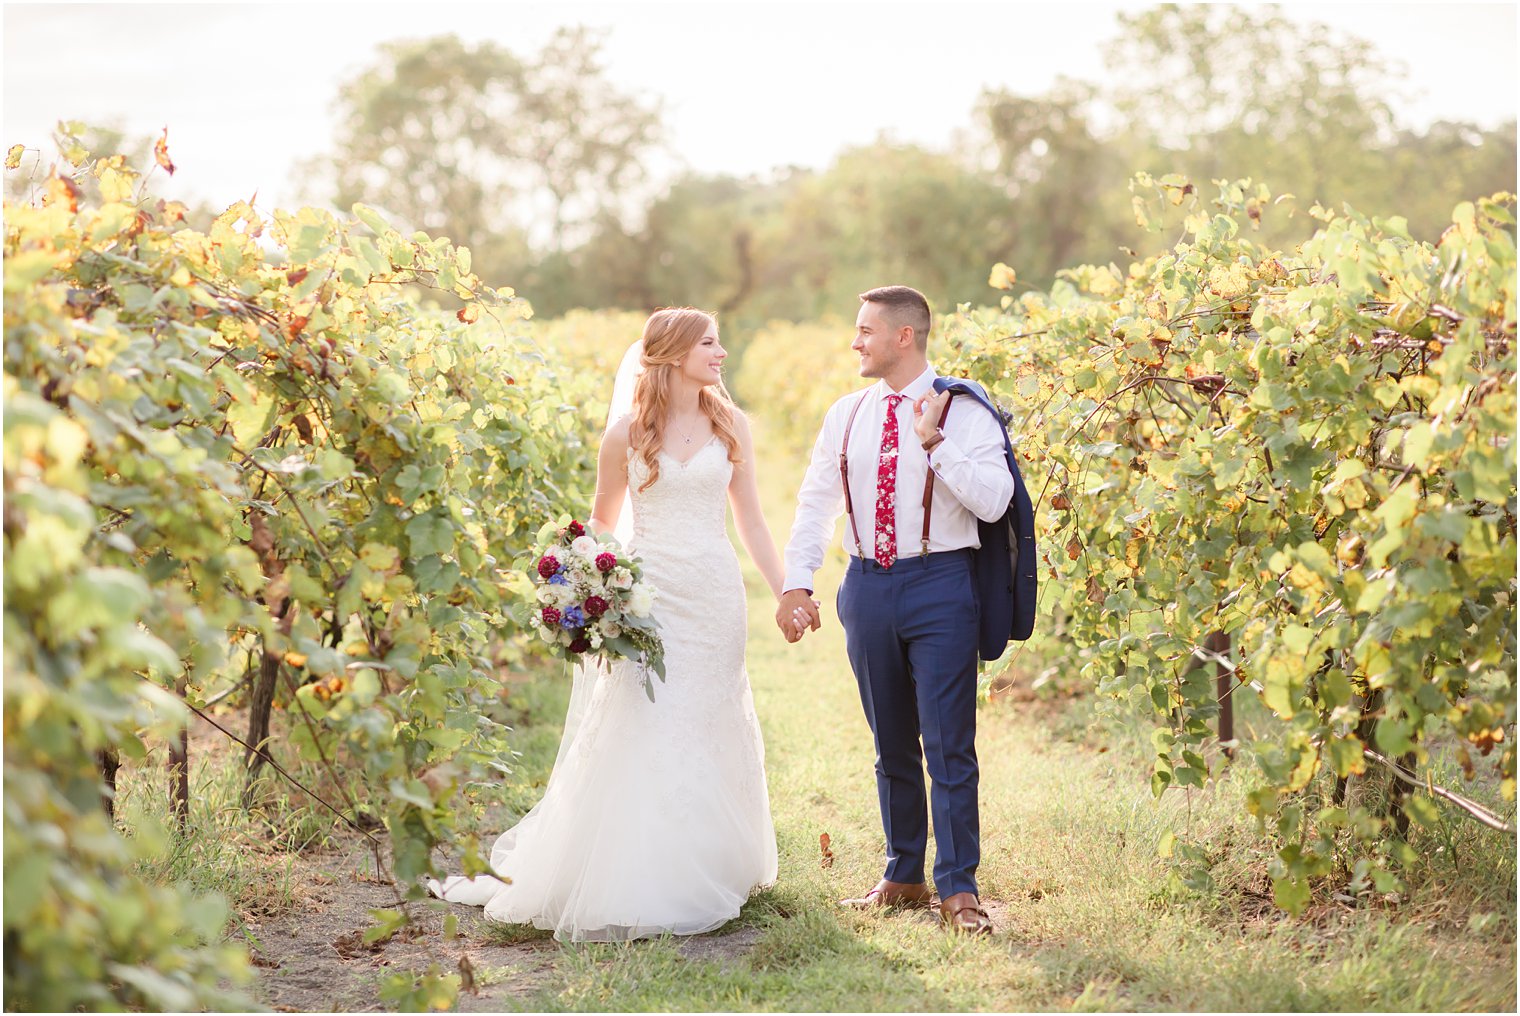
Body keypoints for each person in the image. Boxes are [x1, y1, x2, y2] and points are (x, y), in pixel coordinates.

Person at [428, 307, 781, 941]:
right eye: (710, 343)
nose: (721, 353)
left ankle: (713, 859)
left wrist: (789, 592)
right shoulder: (624, 435)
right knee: (647, 717)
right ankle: (644, 871)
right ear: (673, 354)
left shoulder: (731, 426)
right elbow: (600, 530)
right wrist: (582, 590)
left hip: (716, 594)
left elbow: (752, 520)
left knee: (711, 713)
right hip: (651, 598)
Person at [777, 285, 1013, 935]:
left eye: (865, 331)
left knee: (948, 744)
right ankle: (904, 875)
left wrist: (936, 444)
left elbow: (993, 502)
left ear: (903, 336)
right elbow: (816, 503)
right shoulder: (846, 413)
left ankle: (958, 887)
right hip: (868, 587)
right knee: (891, 743)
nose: (855, 342)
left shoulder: (964, 410)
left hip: (942, 584)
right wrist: (798, 581)